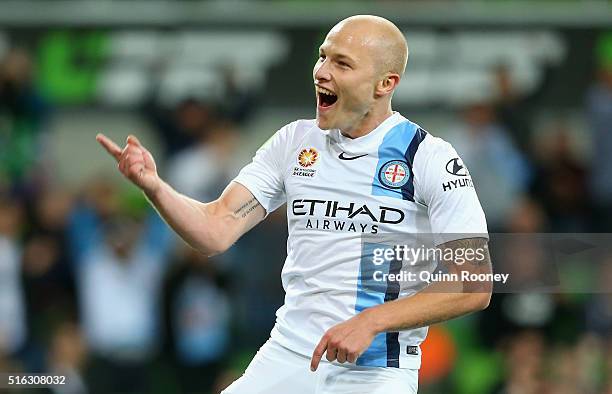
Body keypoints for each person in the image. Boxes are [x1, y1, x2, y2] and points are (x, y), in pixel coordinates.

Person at [97, 15, 492, 394]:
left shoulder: (428, 157)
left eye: (342, 63)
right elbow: (214, 230)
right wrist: (154, 186)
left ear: (384, 83)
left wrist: (373, 321)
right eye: (323, 56)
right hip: (288, 356)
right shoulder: (294, 142)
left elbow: (475, 282)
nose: (321, 71)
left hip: (375, 371)